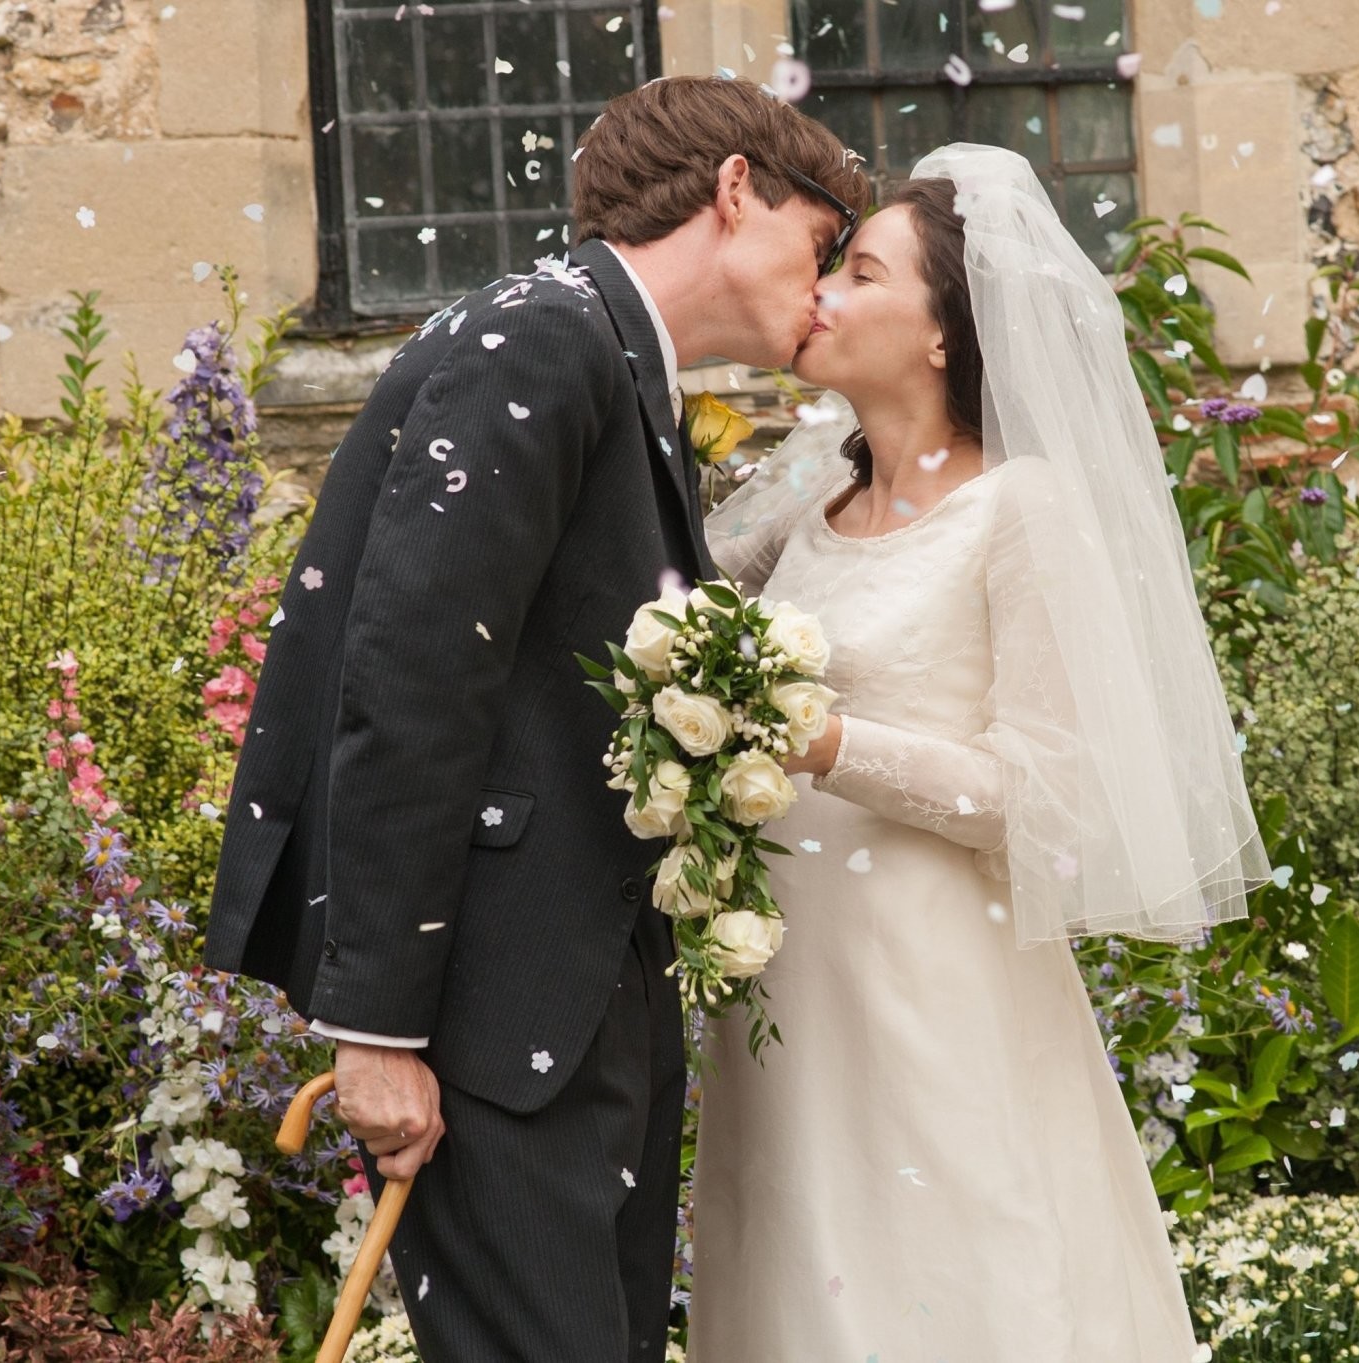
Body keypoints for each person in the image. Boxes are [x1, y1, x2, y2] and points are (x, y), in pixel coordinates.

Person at [201, 76, 868, 1361]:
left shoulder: (613, 363)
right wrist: (379, 1032)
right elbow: (408, 683)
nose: (824, 283)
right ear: (736, 191)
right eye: (820, 240)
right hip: (491, 1022)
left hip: (570, 1002)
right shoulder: (538, 340)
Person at [691, 144, 1271, 1360]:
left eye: (857, 270)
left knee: (953, 1282)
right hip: (786, 991)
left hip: (930, 981)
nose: (820, 295)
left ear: (946, 331)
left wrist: (829, 740)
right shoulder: (802, 500)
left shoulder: (1020, 508)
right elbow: (668, 615)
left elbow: (1042, 790)